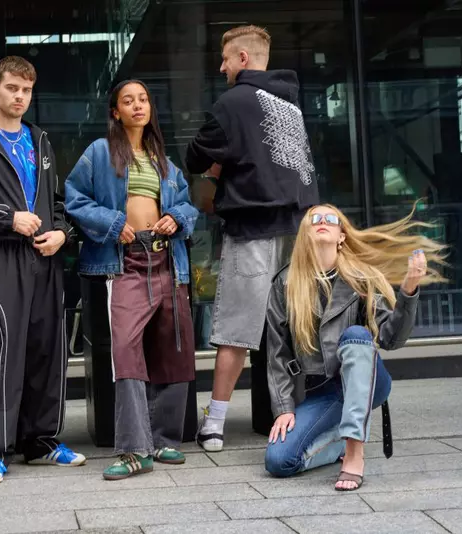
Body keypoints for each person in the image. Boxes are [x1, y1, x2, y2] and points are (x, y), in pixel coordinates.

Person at [0, 56, 86, 485]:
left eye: (26, 90)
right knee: (0, 351)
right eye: (12, 88)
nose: (20, 97)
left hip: (45, 258)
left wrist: (62, 233)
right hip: (1, 258)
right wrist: (9, 219)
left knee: (47, 350)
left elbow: (57, 202)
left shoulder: (40, 140)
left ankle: (41, 442)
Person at [185, 24, 319, 451]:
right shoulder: (292, 106)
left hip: (253, 227)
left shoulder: (232, 103)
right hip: (299, 232)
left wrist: (218, 166)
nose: (221, 67)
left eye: (225, 59)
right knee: (296, 326)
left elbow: (195, 156)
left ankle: (214, 424)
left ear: (243, 58)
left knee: (235, 329)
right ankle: (294, 415)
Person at [66, 80, 199, 480]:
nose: (138, 106)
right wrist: (112, 223)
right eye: (128, 101)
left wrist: (177, 217)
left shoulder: (163, 161)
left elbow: (187, 204)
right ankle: (134, 450)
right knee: (126, 351)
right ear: (115, 112)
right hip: (126, 260)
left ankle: (163, 439)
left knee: (173, 349)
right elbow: (74, 198)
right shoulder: (99, 152)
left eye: (143, 100)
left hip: (168, 259)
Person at [264, 204, 446, 490]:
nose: (322, 221)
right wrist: (284, 408)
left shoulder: (362, 277)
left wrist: (408, 291)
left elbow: (391, 339)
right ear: (305, 233)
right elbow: (277, 353)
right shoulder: (285, 283)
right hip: (322, 390)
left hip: (367, 380)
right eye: (314, 218)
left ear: (341, 235)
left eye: (331, 218)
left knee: (357, 334)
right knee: (279, 460)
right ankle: (341, 439)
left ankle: (354, 450)